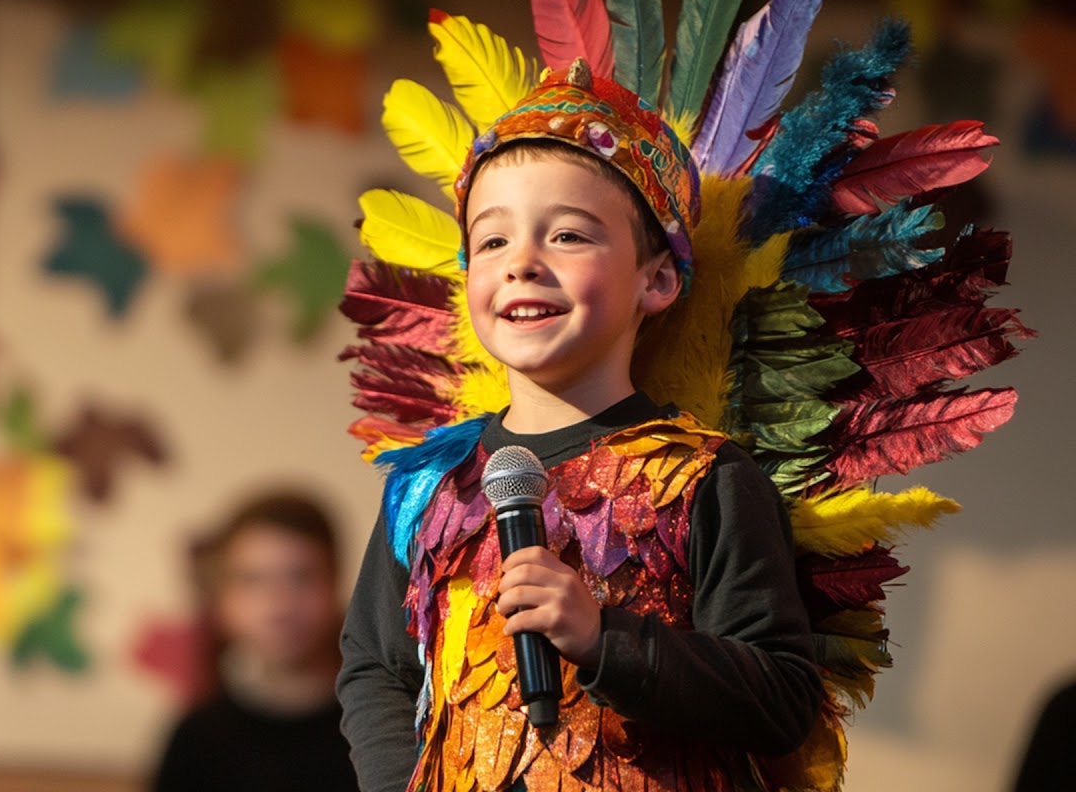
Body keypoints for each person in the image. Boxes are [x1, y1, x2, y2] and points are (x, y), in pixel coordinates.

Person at [335, 55, 823, 792]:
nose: (522, 263)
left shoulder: (710, 480)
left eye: (566, 236)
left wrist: (605, 640)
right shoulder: (429, 484)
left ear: (656, 280)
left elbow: (783, 699)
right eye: (492, 241)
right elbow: (376, 667)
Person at [153, 493, 358, 792]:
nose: (280, 605)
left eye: (301, 577)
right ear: (224, 601)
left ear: (335, 583)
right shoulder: (196, 739)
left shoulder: (380, 730)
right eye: (254, 580)